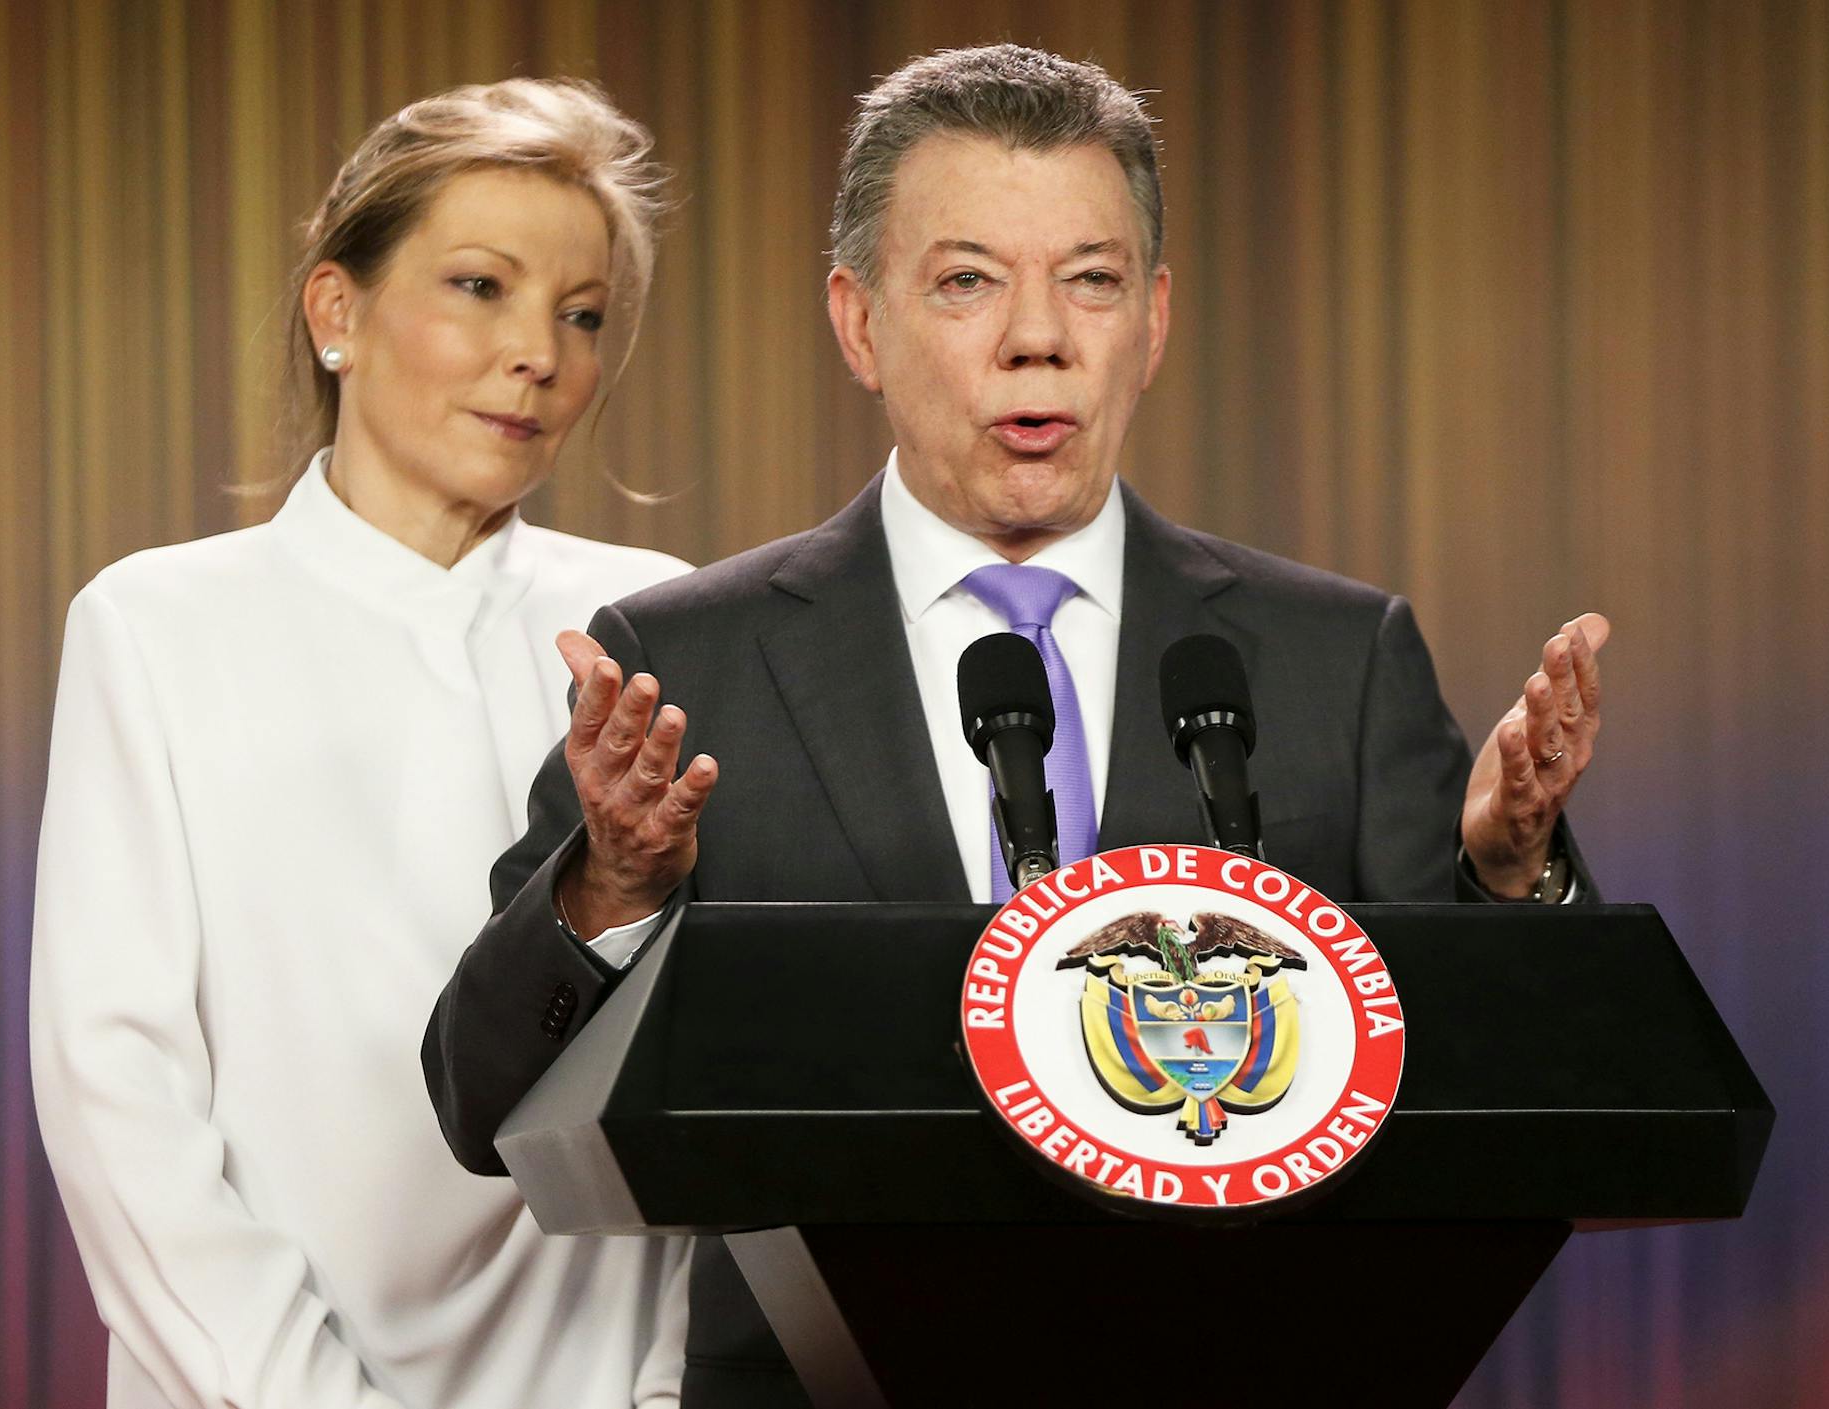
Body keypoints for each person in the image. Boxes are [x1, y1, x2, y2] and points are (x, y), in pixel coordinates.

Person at [423, 45, 1609, 1407]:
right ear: (860, 323)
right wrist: (617, 888)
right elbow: (482, 1101)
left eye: (1090, 281)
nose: (1036, 337)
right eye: (969, 280)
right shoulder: (691, 667)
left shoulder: (1332, 658)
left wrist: (1506, 877)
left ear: (1153, 322)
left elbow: (1532, 1096)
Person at [31, 79, 696, 1409]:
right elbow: (118, 1092)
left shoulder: (656, 618)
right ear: (338, 311)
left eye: (579, 314)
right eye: (479, 286)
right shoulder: (156, 624)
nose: (540, 355)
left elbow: (691, 1075)